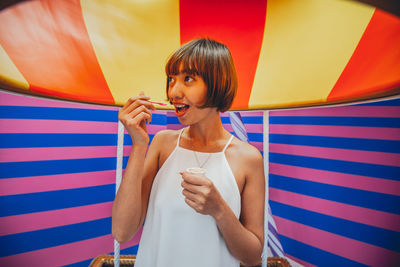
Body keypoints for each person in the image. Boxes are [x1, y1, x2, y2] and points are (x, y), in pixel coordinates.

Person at [112, 38, 265, 267]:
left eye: (188, 79)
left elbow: (252, 257)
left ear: (218, 82)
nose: (174, 91)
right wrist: (139, 145)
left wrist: (219, 210)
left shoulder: (248, 159)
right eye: (171, 79)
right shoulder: (162, 144)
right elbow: (122, 232)